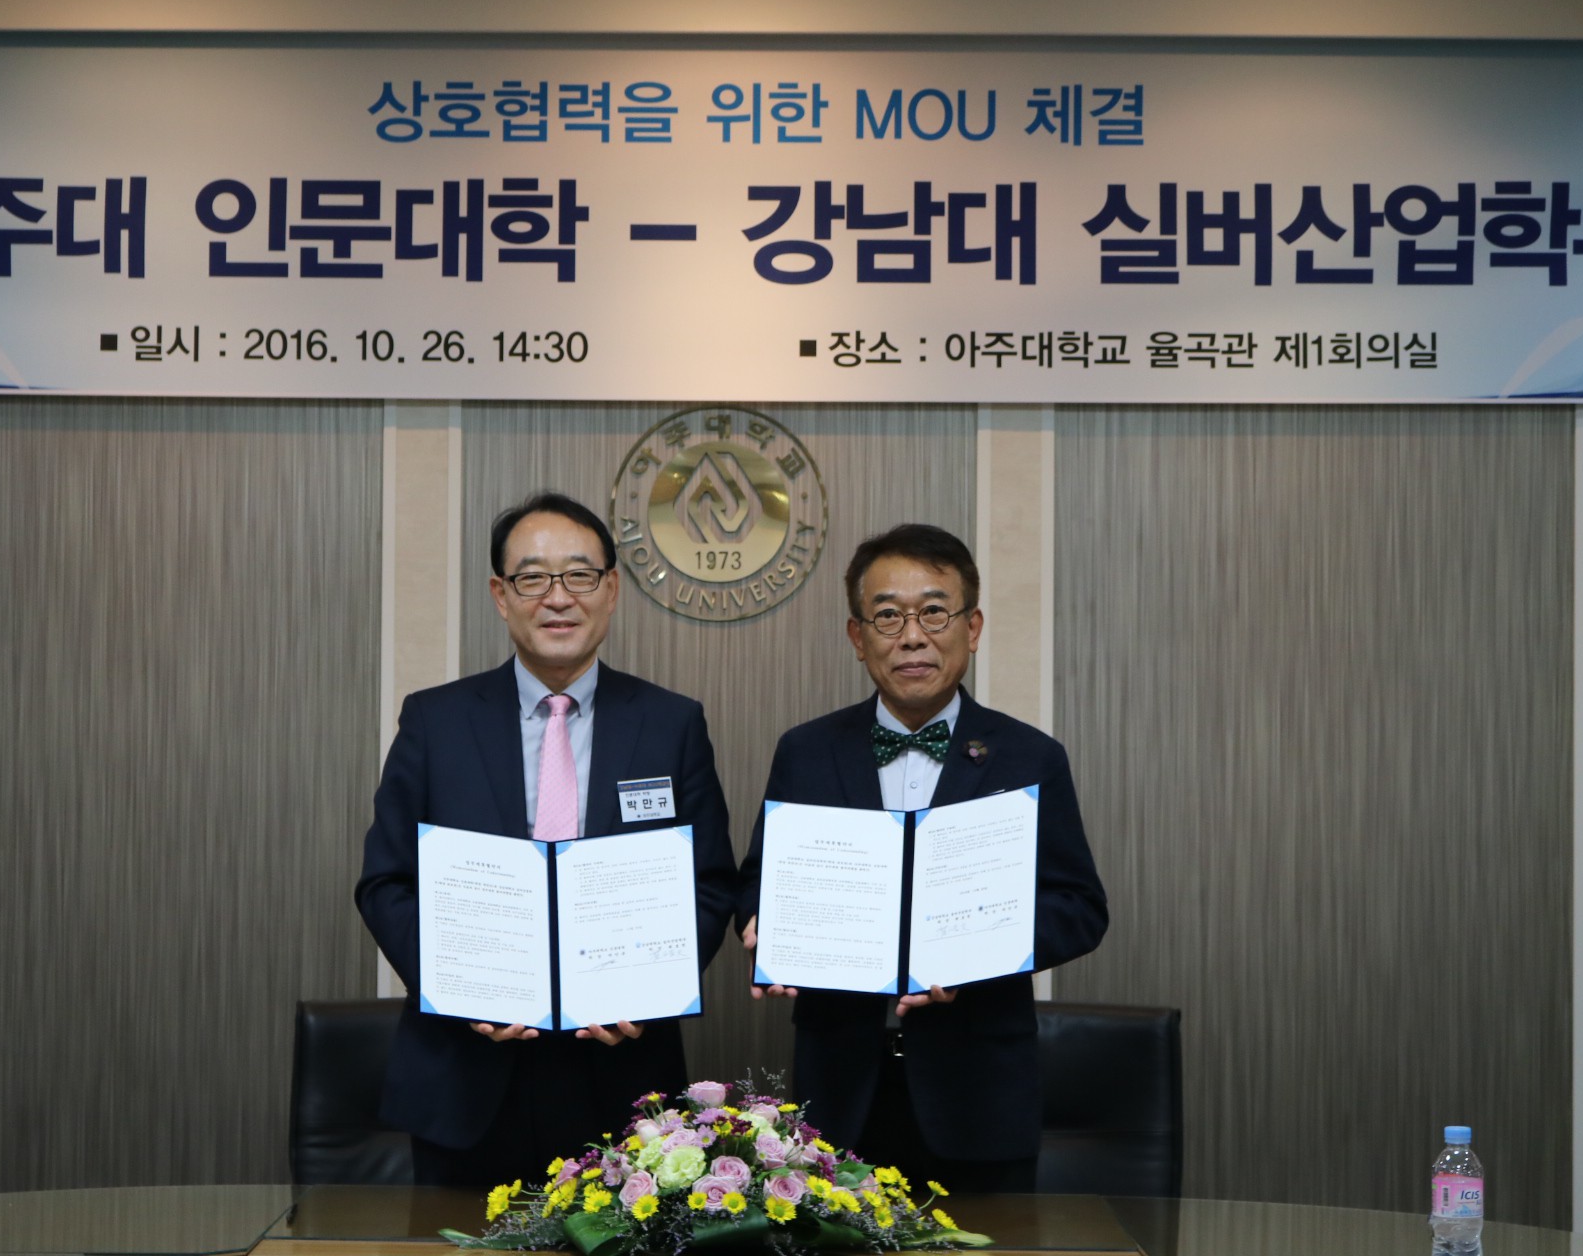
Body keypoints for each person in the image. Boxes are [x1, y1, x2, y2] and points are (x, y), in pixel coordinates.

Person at [356, 491, 736, 1187]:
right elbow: (387, 882)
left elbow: (710, 884)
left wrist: (650, 990)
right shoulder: (435, 722)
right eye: (532, 577)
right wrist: (459, 985)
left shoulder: (670, 723)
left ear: (611, 589)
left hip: (623, 1074)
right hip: (465, 1076)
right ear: (501, 596)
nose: (558, 597)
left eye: (579, 575)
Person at [738, 523, 1108, 1193]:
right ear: (858, 637)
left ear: (972, 627)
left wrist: (978, 950)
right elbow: (758, 880)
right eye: (888, 616)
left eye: (934, 612)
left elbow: (1078, 907)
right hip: (840, 1091)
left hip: (980, 1092)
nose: (912, 636)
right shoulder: (807, 751)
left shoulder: (1029, 757)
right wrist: (762, 924)